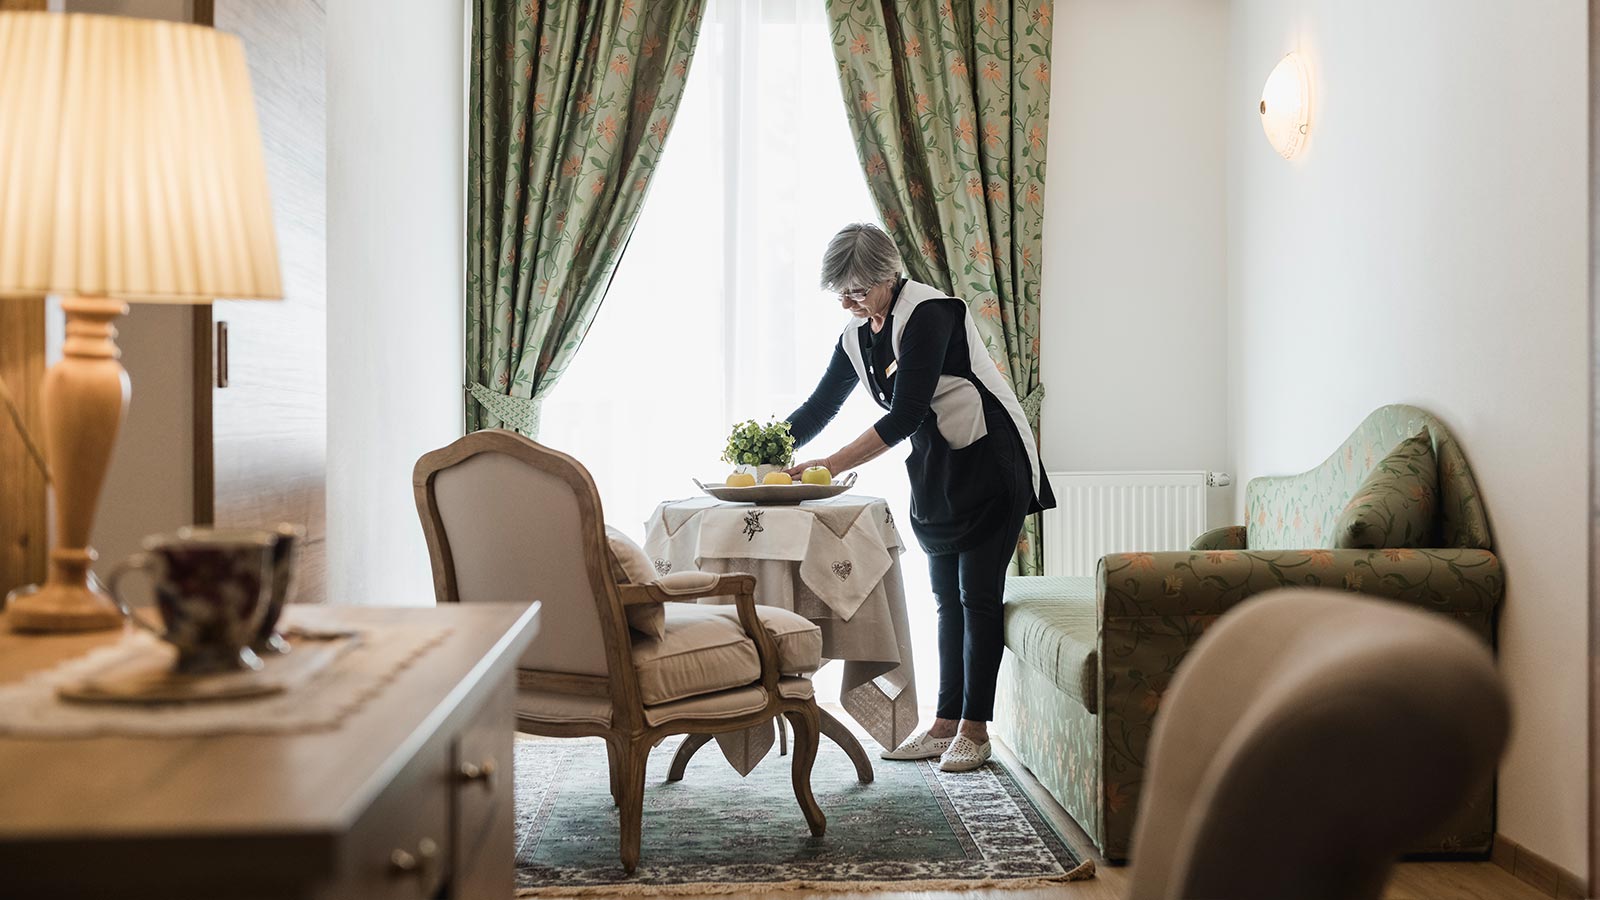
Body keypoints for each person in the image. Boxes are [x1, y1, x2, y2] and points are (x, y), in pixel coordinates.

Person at [783, 223, 1054, 773]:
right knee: (945, 600)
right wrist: (765, 449)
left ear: (887, 277)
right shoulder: (857, 335)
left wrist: (828, 466)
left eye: (857, 290)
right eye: (840, 291)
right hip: (939, 471)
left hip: (990, 462)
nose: (847, 302)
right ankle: (943, 724)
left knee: (976, 597)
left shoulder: (930, 313)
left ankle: (975, 731)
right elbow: (818, 410)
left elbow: (904, 415)